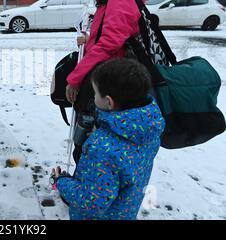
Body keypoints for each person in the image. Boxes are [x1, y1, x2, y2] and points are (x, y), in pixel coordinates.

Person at [65, 0, 148, 163]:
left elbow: (111, 44)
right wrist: (89, 38)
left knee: (88, 141)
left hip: (109, 80)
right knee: (87, 139)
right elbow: (112, 36)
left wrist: (75, 78)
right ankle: (86, 184)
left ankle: (88, 188)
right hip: (108, 73)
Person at [54, 58, 165, 220]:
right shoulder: (149, 128)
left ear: (109, 102)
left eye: (95, 93)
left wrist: (61, 181)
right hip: (126, 210)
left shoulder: (102, 148)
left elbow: (92, 203)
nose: (93, 98)